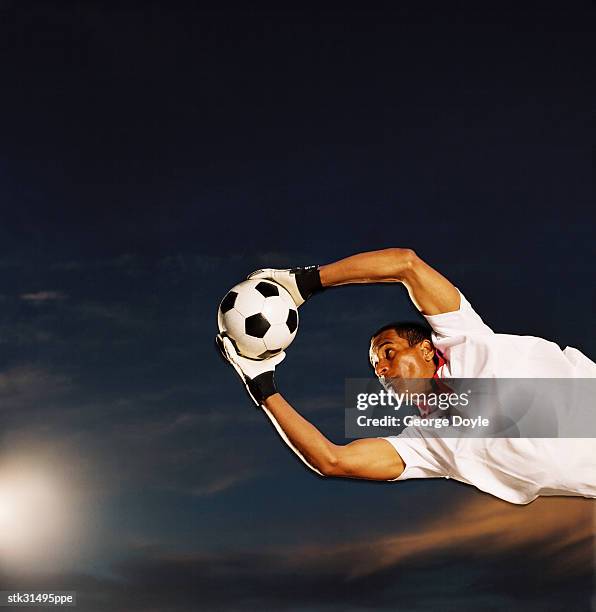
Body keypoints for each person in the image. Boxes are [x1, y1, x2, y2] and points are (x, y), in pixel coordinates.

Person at [216, 248, 596, 504]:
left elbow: (405, 264)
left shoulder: (466, 338)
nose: (380, 369)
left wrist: (305, 284)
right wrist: (261, 384)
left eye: (388, 352)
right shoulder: (429, 443)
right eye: (375, 366)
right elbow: (332, 460)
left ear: (427, 349)